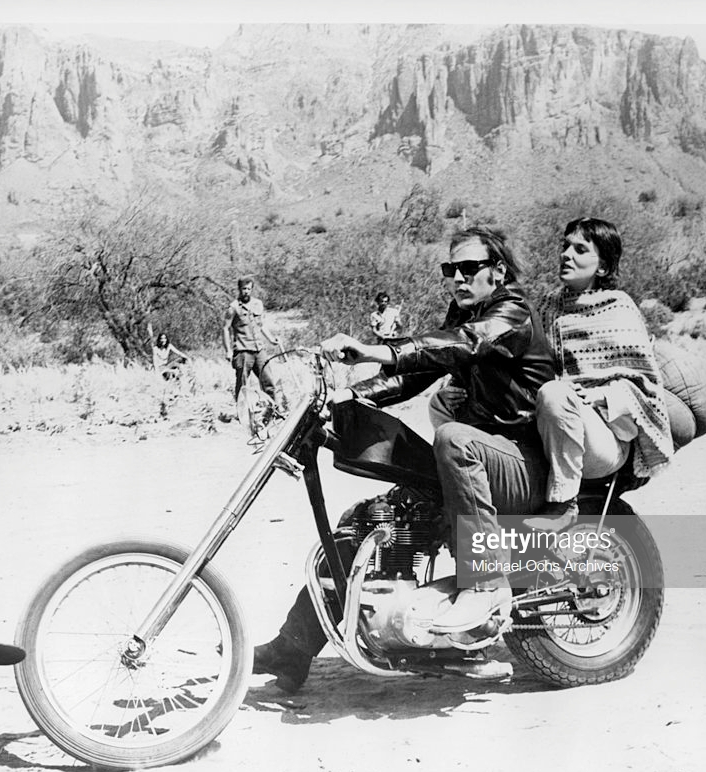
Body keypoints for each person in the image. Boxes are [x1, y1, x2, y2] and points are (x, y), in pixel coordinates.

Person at [253, 226, 557, 692]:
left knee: (452, 437)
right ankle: (293, 649)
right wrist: (348, 397)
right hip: (479, 463)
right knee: (371, 520)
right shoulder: (468, 313)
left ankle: (487, 580)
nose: (458, 277)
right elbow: (421, 370)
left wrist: (375, 350)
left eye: (469, 268)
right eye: (450, 269)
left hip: (521, 462)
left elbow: (459, 345)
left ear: (498, 271)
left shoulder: (511, 315)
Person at [531, 217, 673, 532]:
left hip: (606, 439)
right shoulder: (546, 308)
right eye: (565, 246)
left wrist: (600, 395)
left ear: (603, 267)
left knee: (555, 395)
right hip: (556, 428)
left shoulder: (619, 309)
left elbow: (645, 386)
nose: (567, 254)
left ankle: (564, 505)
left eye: (580, 249)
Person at [222, 276, 287, 416]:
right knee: (243, 385)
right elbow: (226, 329)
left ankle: (273, 411)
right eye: (244, 289)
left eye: (249, 289)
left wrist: (271, 339)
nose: (246, 291)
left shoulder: (258, 304)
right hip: (243, 350)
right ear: (239, 289)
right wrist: (228, 350)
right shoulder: (233, 308)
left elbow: (261, 325)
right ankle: (243, 414)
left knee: (268, 380)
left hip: (259, 349)